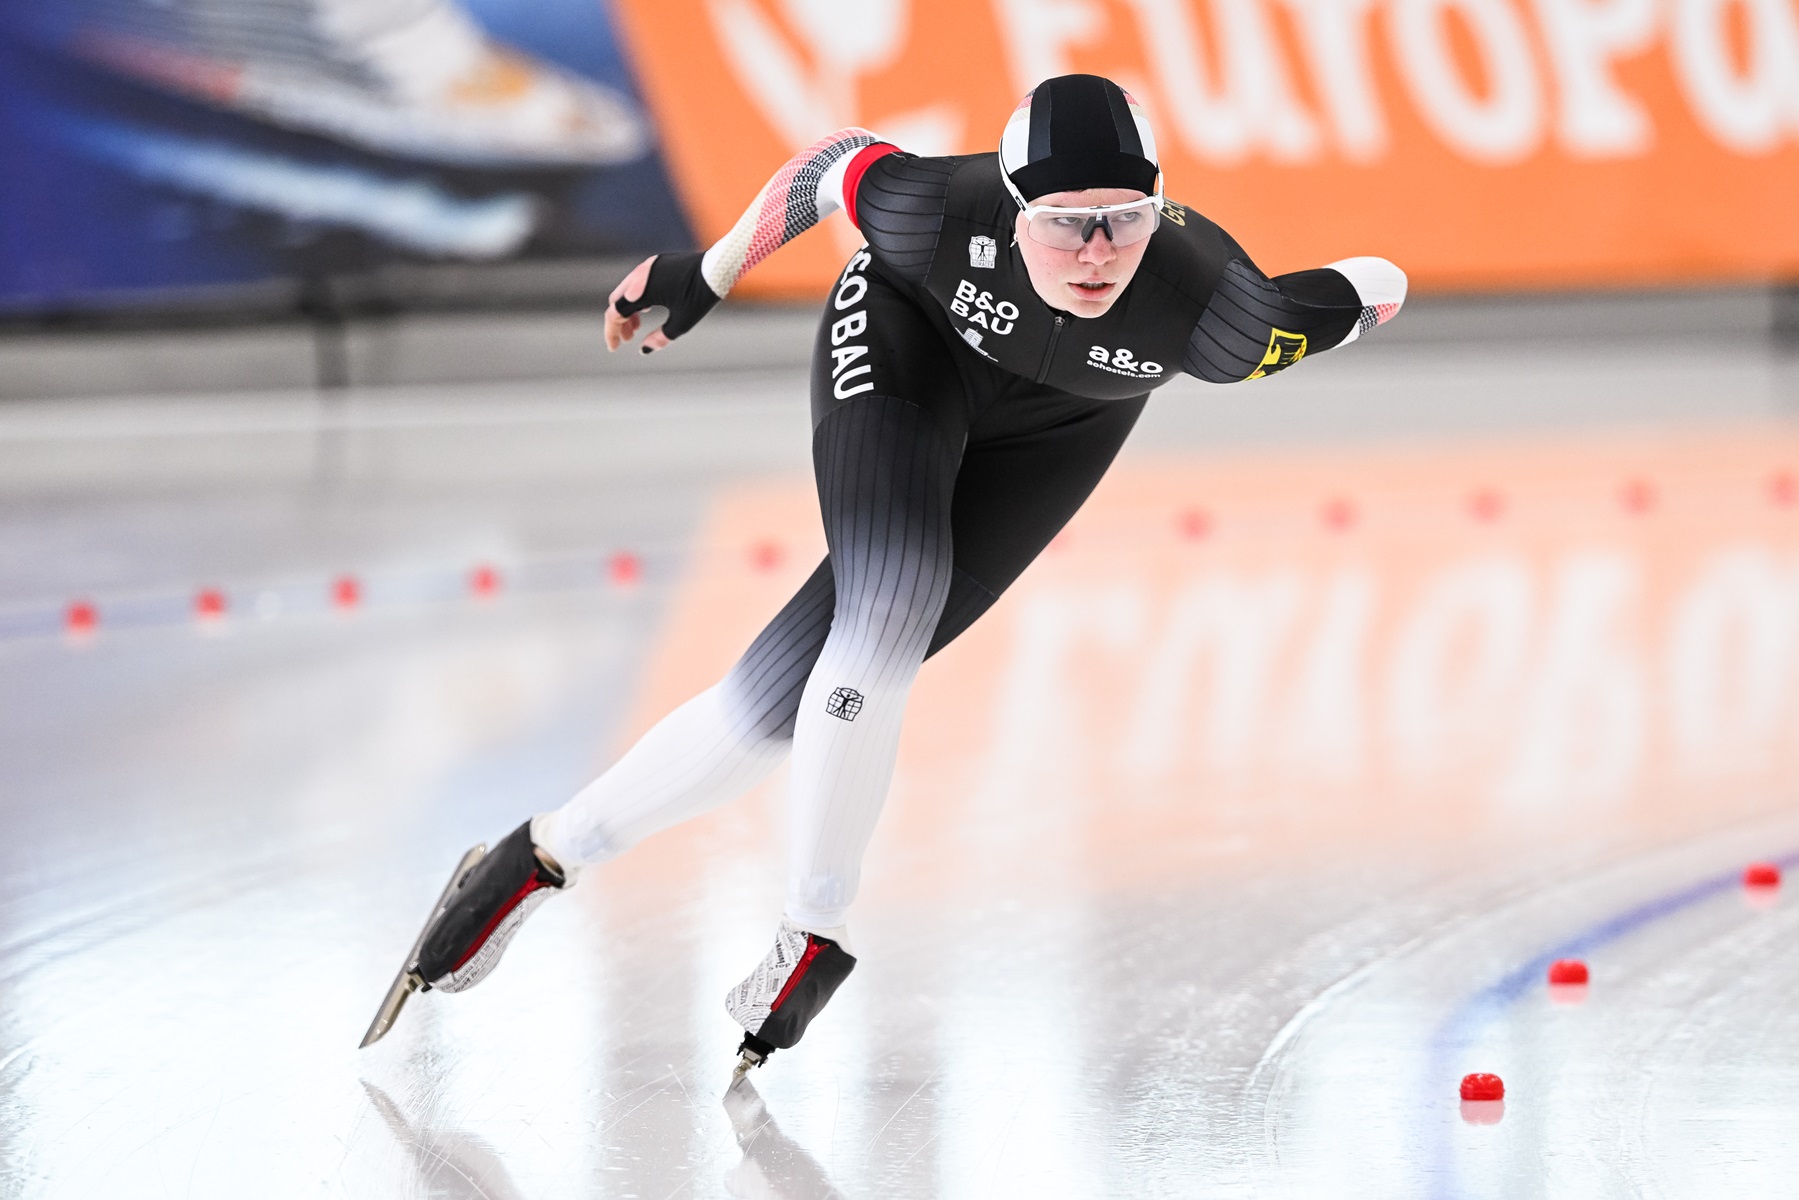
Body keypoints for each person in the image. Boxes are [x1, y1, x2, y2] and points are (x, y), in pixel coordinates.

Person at [360, 74, 1407, 1075]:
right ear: (1008, 206)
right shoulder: (931, 213)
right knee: (885, 611)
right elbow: (828, 167)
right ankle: (815, 927)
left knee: (771, 709)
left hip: (1058, 428)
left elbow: (1368, 285)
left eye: (1122, 221)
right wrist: (706, 274)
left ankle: (536, 855)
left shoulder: (1222, 317)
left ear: (1159, 207)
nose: (1093, 254)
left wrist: (1368, 293)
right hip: (907, 345)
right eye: (1059, 223)